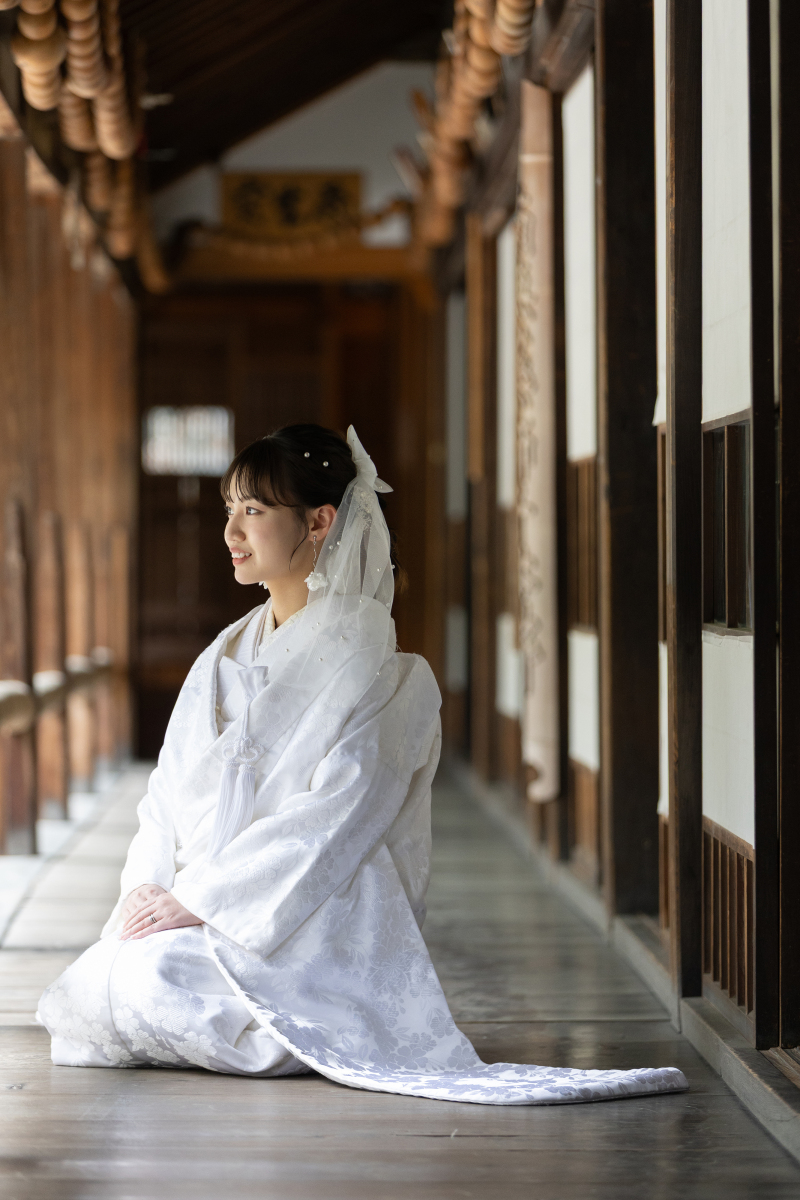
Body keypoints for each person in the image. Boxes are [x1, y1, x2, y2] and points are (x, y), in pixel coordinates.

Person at [37, 424, 687, 1105]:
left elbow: (333, 820)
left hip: (306, 919)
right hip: (199, 903)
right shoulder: (219, 656)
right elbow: (163, 797)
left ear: (319, 522)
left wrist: (199, 903)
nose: (232, 531)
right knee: (99, 983)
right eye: (229, 509)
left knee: (146, 984)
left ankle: (284, 1021)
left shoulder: (379, 665)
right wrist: (148, 890)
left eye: (253, 512)